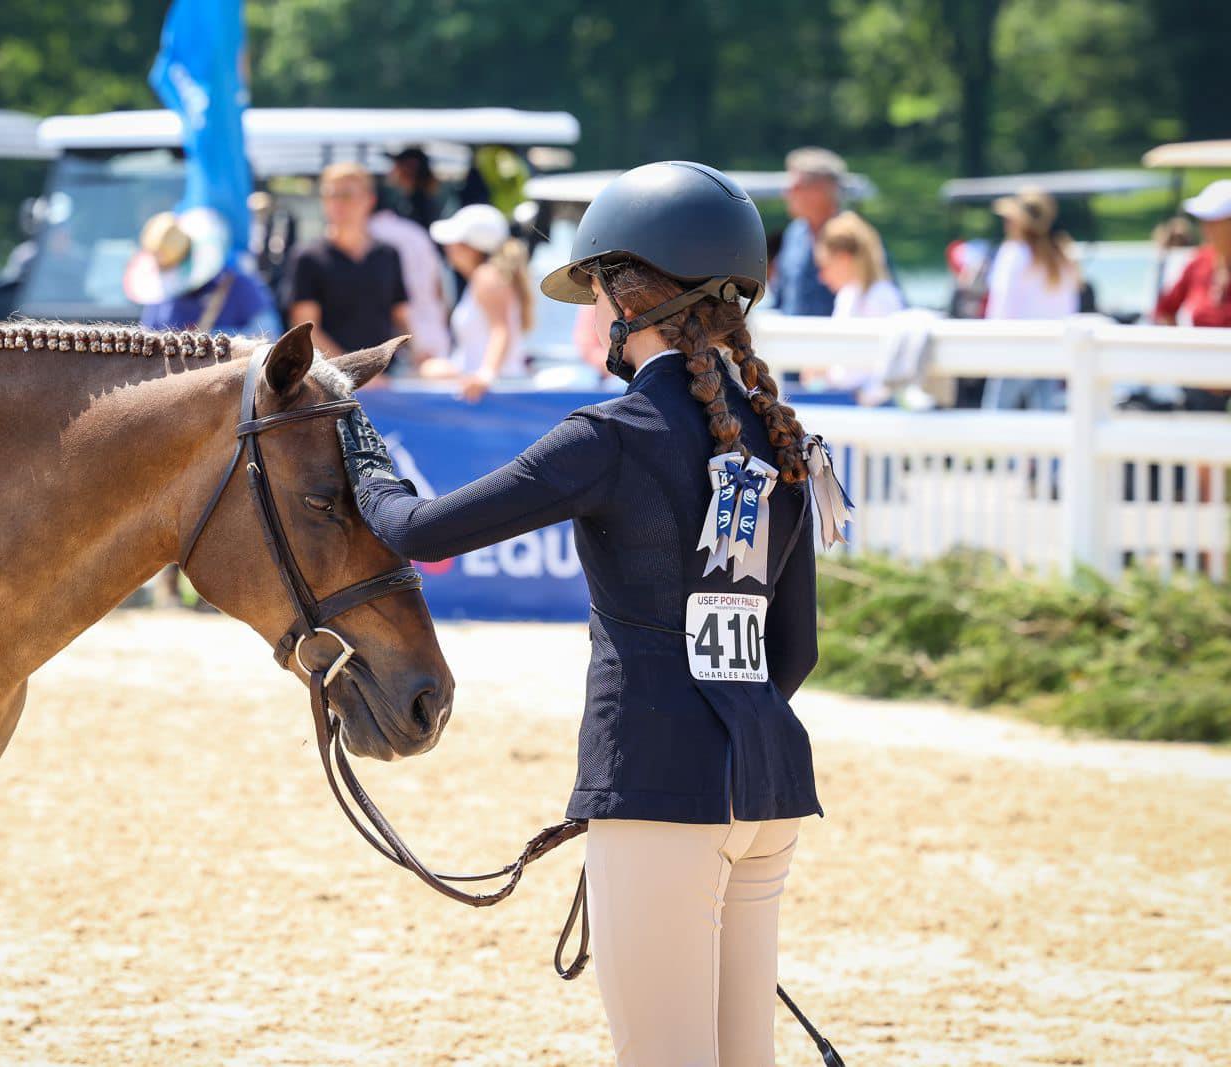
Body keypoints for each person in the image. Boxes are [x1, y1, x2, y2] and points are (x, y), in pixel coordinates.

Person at [338, 162, 846, 1067]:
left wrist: (357, 438)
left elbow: (417, 530)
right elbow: (794, 648)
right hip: (766, 785)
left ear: (625, 295)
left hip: (659, 785)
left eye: (595, 292)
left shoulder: (607, 437)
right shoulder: (784, 439)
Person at [285, 162, 412, 371]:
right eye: (330, 195)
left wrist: (422, 357)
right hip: (330, 383)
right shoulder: (308, 257)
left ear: (369, 200)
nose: (337, 203)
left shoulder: (388, 255)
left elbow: (401, 316)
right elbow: (306, 331)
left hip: (386, 377)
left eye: (346, 195)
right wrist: (355, 372)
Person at [423, 203, 533, 401]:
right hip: (488, 390)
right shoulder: (487, 276)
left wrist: (485, 376)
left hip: (489, 394)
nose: (448, 248)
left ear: (470, 248)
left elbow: (501, 329)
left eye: (454, 242)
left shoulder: (486, 276)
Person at [982, 187, 1080, 409]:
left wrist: (991, 347)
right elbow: (1069, 309)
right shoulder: (1061, 256)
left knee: (996, 417)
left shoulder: (1014, 253)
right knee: (1045, 417)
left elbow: (1001, 308)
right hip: (1051, 349)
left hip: (1015, 348)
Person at [128, 208, 281, 337]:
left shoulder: (239, 286)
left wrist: (213, 339)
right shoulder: (161, 299)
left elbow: (269, 334)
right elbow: (148, 341)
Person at [1154, 180, 1231, 413]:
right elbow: (1165, 310)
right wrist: (1187, 359)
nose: (1206, 228)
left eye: (1214, 222)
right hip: (1201, 384)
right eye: (1204, 221)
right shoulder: (1199, 262)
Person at [369, 183, 452, 365]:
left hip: (399, 343)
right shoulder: (417, 232)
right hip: (433, 329)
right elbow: (439, 288)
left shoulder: (369, 234)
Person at [773, 147, 847, 315]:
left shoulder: (853, 237)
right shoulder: (794, 234)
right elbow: (780, 298)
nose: (786, 193)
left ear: (819, 190)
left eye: (795, 187)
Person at [815, 211, 904, 319]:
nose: (821, 277)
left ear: (844, 259)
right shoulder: (848, 295)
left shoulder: (880, 297)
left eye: (825, 266)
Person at [385, 146, 452, 230]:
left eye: (397, 165)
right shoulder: (408, 199)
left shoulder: (418, 204)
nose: (392, 170)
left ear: (408, 169)